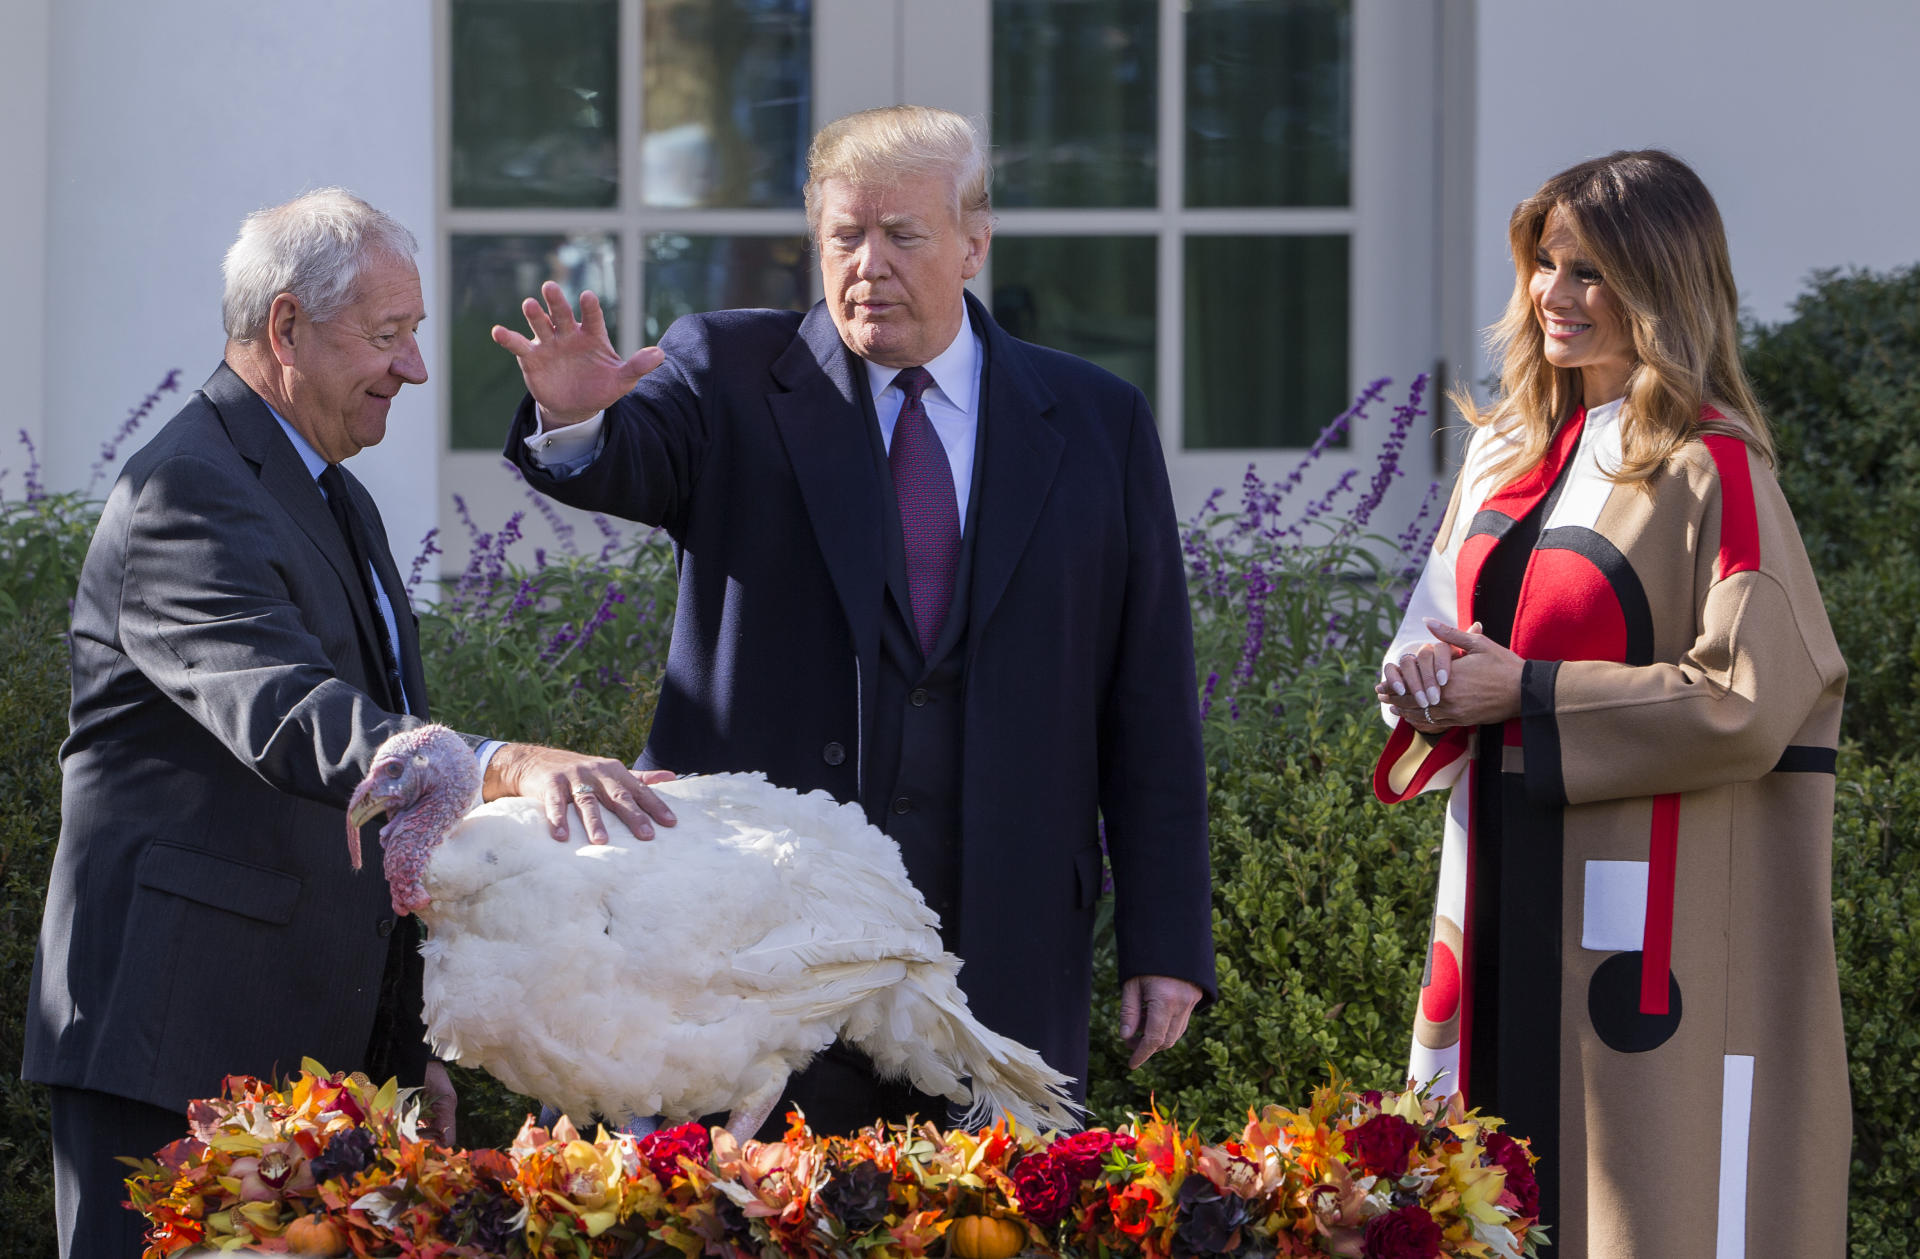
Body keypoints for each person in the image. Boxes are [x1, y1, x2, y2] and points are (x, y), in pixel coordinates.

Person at [495, 105, 1215, 1135]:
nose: (868, 263)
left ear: (975, 239)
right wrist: (577, 417)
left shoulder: (1096, 419)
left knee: (992, 1227)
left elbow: (1148, 696)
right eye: (844, 236)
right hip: (760, 939)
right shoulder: (730, 374)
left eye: (903, 235)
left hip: (1001, 938)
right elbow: (629, 459)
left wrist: (1166, 937)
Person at [22, 189, 677, 1259]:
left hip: (318, 1069)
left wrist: (403, 1040)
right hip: (173, 1056)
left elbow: (368, 823)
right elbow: (288, 711)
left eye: (413, 335)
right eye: (387, 337)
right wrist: (498, 762)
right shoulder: (180, 491)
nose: (413, 370)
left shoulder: (333, 490)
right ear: (286, 328)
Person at [1372, 151, 1848, 1256]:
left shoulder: (1710, 469)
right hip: (1492, 881)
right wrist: (1422, 679)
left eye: (1593, 271)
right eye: (1546, 263)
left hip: (1642, 920)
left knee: (1642, 1200)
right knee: (1474, 1188)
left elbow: (1748, 697)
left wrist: (1527, 691)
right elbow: (1437, 631)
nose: (1556, 294)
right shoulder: (1501, 453)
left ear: (1664, 287)